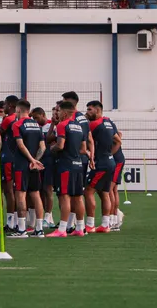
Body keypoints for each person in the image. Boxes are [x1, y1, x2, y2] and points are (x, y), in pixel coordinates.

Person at [47, 101, 86, 237]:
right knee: (78, 197)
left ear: (64, 113)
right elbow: (83, 149)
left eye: (58, 111)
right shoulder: (79, 126)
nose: (57, 113)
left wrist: (52, 148)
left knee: (64, 197)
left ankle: (62, 229)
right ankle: (80, 228)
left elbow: (60, 145)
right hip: (78, 164)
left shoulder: (62, 125)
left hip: (65, 165)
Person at [10, 99, 45, 238]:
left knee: (20, 195)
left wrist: (30, 160)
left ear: (18, 110)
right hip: (34, 165)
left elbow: (20, 145)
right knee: (36, 194)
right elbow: (43, 147)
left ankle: (22, 229)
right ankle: (40, 229)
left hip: (21, 164)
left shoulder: (17, 124)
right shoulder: (36, 125)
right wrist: (36, 161)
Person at [62, 91, 94, 231]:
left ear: (71, 101)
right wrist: (91, 156)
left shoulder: (72, 119)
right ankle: (79, 225)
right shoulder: (83, 118)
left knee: (68, 194)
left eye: (64, 100)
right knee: (77, 193)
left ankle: (69, 224)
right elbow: (89, 139)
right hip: (82, 158)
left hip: (72, 157)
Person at [85, 100, 115, 233]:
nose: (87, 112)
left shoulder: (94, 124)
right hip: (110, 161)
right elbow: (118, 140)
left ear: (97, 110)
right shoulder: (108, 122)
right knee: (105, 193)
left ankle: (90, 225)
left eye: (90, 109)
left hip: (101, 164)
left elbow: (87, 139)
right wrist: (109, 154)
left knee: (88, 191)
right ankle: (105, 225)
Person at [0, 95, 20, 232]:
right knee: (14, 189)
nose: (4, 107)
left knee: (8, 190)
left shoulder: (8, 120)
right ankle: (16, 220)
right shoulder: (19, 119)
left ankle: (11, 221)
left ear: (10, 105)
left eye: (5, 104)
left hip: (7, 157)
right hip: (16, 158)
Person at [33, 107, 56, 228]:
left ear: (43, 115)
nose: (35, 120)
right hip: (38, 160)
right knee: (40, 189)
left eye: (37, 117)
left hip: (49, 160)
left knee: (48, 189)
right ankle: (43, 217)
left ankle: (48, 216)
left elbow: (51, 141)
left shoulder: (51, 125)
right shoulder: (35, 126)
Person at [109, 115, 125, 231]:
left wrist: (110, 155)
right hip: (117, 159)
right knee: (113, 190)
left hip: (116, 160)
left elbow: (118, 139)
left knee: (110, 189)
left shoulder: (107, 127)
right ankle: (115, 217)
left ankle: (114, 220)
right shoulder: (111, 126)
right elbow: (119, 134)